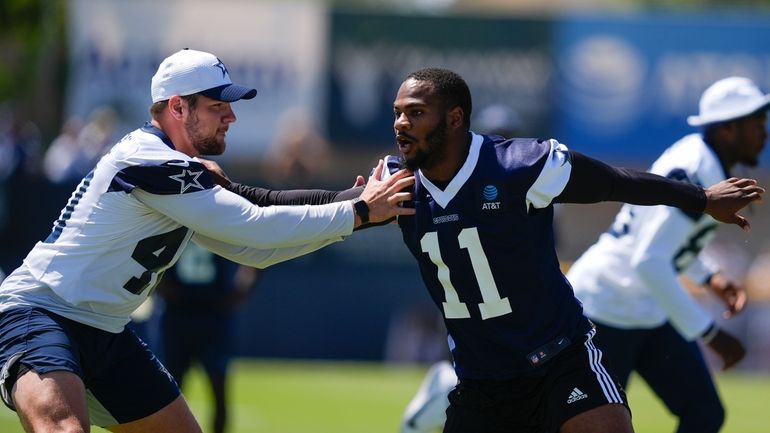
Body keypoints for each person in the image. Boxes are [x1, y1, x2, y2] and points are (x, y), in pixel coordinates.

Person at [221, 67, 763, 433]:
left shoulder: (519, 165)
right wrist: (230, 192)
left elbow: (613, 182)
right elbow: (317, 203)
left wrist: (699, 197)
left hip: (561, 358)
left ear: (455, 118)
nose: (400, 124)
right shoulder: (395, 183)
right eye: (398, 112)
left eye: (415, 113)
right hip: (482, 380)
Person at [0, 48, 414, 433]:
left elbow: (255, 245)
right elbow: (257, 224)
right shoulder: (147, 159)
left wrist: (357, 209)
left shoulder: (175, 166)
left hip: (105, 328)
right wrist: (358, 211)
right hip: (40, 312)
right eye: (217, 105)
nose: (230, 116)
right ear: (178, 107)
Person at [566, 76, 769, 433]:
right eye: (756, 123)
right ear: (727, 129)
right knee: (597, 426)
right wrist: (710, 333)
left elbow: (668, 246)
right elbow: (649, 259)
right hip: (604, 309)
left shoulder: (703, 156)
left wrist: (710, 277)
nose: (764, 133)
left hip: (645, 310)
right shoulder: (694, 166)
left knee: (704, 412)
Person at [155, 242, 260, 433]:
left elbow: (256, 255)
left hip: (207, 316)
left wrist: (239, 293)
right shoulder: (178, 217)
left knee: (217, 391)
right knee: (169, 395)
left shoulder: (218, 218)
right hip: (181, 316)